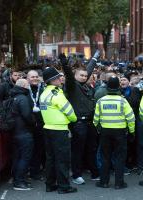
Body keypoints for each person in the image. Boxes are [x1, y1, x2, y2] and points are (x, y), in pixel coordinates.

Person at [60, 51, 101, 185]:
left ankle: (94, 172)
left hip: (89, 122)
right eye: (81, 75)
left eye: (85, 76)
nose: (84, 77)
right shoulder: (72, 86)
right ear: (75, 76)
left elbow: (88, 70)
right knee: (78, 150)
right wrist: (65, 64)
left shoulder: (83, 84)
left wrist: (94, 58)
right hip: (78, 123)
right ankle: (76, 175)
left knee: (91, 148)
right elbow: (69, 76)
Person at [40, 67, 78, 194]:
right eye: (58, 77)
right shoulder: (57, 93)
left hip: (48, 128)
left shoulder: (44, 93)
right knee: (62, 159)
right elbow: (70, 112)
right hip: (59, 130)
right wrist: (73, 119)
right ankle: (64, 187)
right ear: (53, 80)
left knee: (50, 159)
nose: (60, 79)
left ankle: (50, 184)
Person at [93, 76, 135, 189]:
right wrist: (132, 131)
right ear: (118, 87)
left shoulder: (101, 101)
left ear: (107, 87)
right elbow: (131, 118)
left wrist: (98, 129)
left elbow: (96, 119)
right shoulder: (123, 101)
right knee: (119, 158)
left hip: (105, 132)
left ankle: (104, 182)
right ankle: (119, 183)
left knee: (105, 157)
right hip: (120, 132)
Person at [10, 79, 35, 191]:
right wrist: (34, 122)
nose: (29, 86)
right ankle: (19, 182)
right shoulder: (23, 98)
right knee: (25, 157)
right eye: (28, 84)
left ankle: (18, 179)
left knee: (17, 157)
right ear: (24, 86)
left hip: (15, 132)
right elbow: (27, 115)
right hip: (24, 133)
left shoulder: (14, 97)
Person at [26, 70, 46, 181]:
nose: (35, 78)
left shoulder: (42, 89)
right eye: (32, 77)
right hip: (29, 124)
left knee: (39, 149)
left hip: (41, 123)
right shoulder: (25, 90)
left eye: (36, 76)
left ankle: (36, 172)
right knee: (30, 150)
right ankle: (30, 171)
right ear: (28, 78)